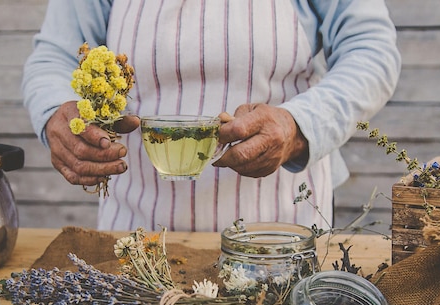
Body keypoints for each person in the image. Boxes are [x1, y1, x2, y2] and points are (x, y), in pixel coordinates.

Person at [22, 0, 401, 232]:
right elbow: (55, 56)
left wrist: (297, 127)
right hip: (136, 232)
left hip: (281, 232)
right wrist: (56, 111)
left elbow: (372, 50)